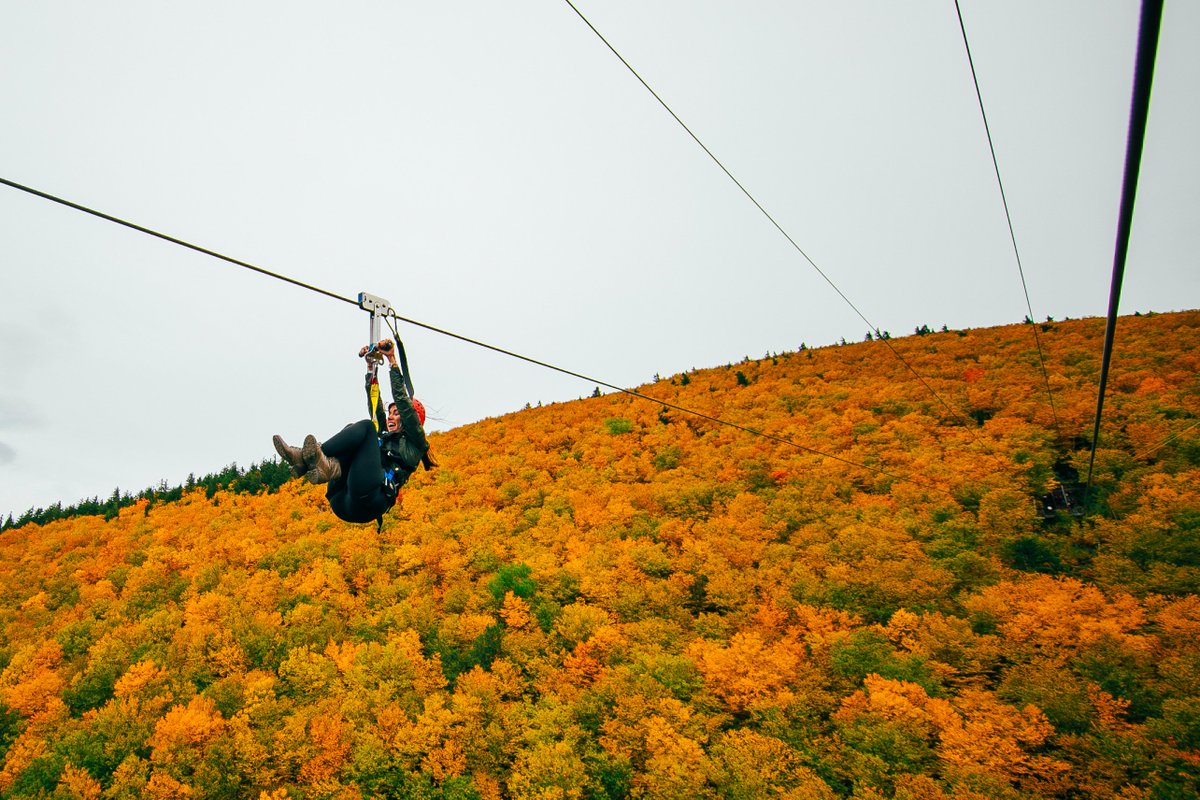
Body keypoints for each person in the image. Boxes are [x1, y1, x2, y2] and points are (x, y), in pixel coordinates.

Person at [273, 339, 433, 527]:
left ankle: (309, 457)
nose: (390, 417)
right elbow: (375, 405)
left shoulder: (416, 442)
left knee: (367, 428)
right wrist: (370, 367)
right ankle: (322, 465)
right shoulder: (385, 433)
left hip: (371, 499)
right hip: (340, 499)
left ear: (409, 421)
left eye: (395, 414)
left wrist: (392, 360)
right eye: (390, 413)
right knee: (355, 430)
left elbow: (404, 404)